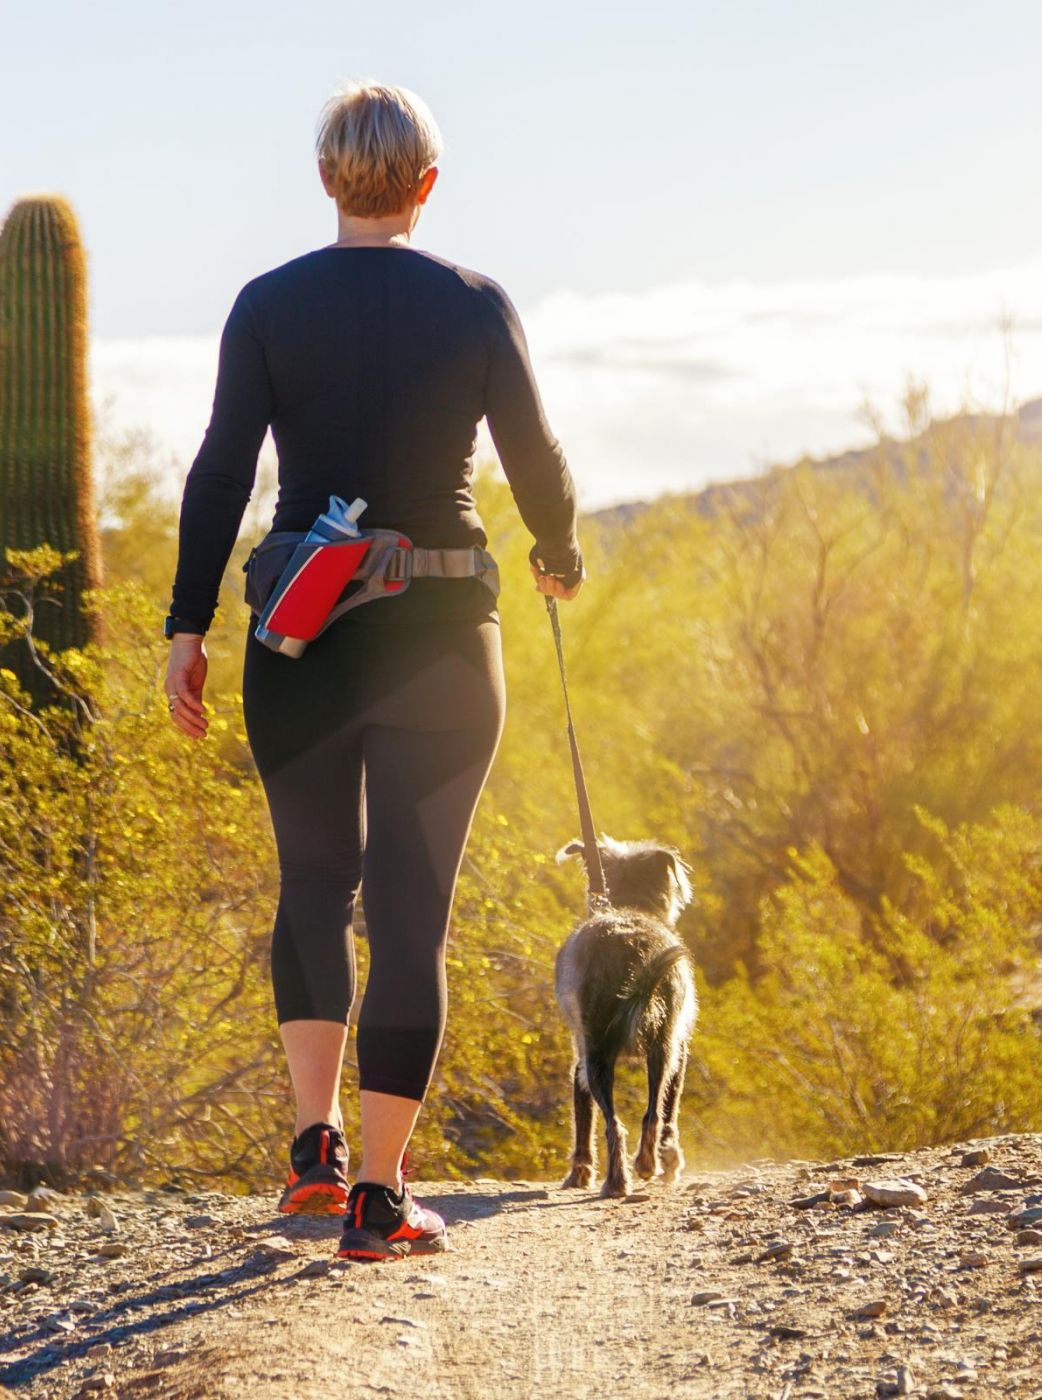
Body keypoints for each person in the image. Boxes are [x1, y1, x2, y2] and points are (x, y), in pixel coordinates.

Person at [162, 78, 584, 1262]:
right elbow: (536, 459)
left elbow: (218, 474)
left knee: (312, 885)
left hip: (297, 635)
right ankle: (382, 1202)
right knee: (410, 914)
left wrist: (186, 626)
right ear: (428, 184)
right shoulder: (475, 303)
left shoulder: (266, 304)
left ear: (325, 177)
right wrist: (557, 555)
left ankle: (312, 1155)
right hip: (445, 634)